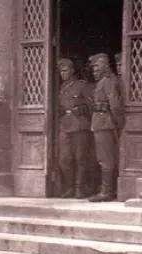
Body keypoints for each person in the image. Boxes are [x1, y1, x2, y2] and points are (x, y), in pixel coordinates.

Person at [88, 52, 125, 203]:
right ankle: (108, 189)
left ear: (104, 64)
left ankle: (106, 191)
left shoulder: (108, 81)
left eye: (97, 65)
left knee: (105, 159)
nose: (94, 69)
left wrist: (119, 123)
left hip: (105, 123)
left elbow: (114, 105)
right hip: (101, 123)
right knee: (105, 157)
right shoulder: (103, 81)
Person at [57, 58, 93, 199]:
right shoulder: (61, 88)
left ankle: (79, 189)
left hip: (80, 125)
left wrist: (84, 114)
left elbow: (91, 106)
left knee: (81, 158)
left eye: (65, 70)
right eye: (61, 71)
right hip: (65, 125)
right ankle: (70, 187)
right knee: (64, 159)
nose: (62, 73)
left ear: (72, 71)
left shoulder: (82, 86)